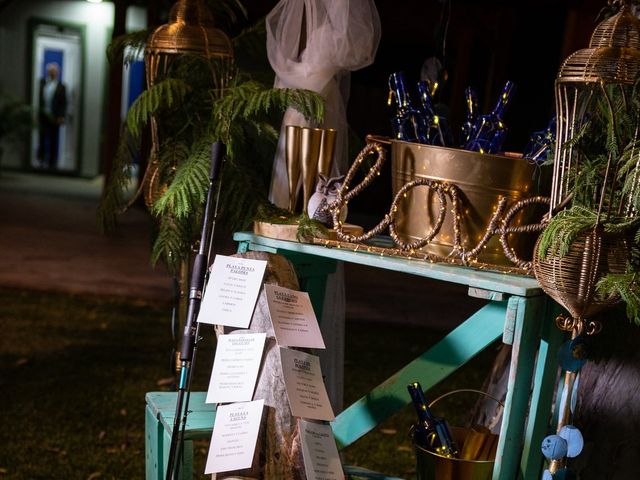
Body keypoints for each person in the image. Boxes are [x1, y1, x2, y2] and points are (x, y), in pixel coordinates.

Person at [37, 62, 67, 169]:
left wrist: (61, 116)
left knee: (54, 139)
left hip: (55, 117)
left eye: (54, 71)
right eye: (51, 71)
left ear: (57, 73)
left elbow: (63, 103)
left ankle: (52, 162)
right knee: (41, 138)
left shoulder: (61, 86)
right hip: (43, 115)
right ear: (48, 72)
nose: (52, 73)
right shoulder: (41, 83)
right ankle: (40, 159)